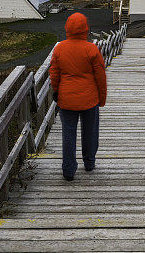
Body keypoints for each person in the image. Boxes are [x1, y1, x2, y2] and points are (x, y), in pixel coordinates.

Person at [49, 12, 107, 180]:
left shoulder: (59, 48)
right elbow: (100, 77)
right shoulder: (91, 49)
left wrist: (57, 91)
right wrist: (101, 99)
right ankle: (89, 163)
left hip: (66, 99)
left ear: (67, 28)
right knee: (90, 132)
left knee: (68, 134)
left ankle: (68, 170)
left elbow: (54, 74)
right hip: (89, 99)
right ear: (85, 29)